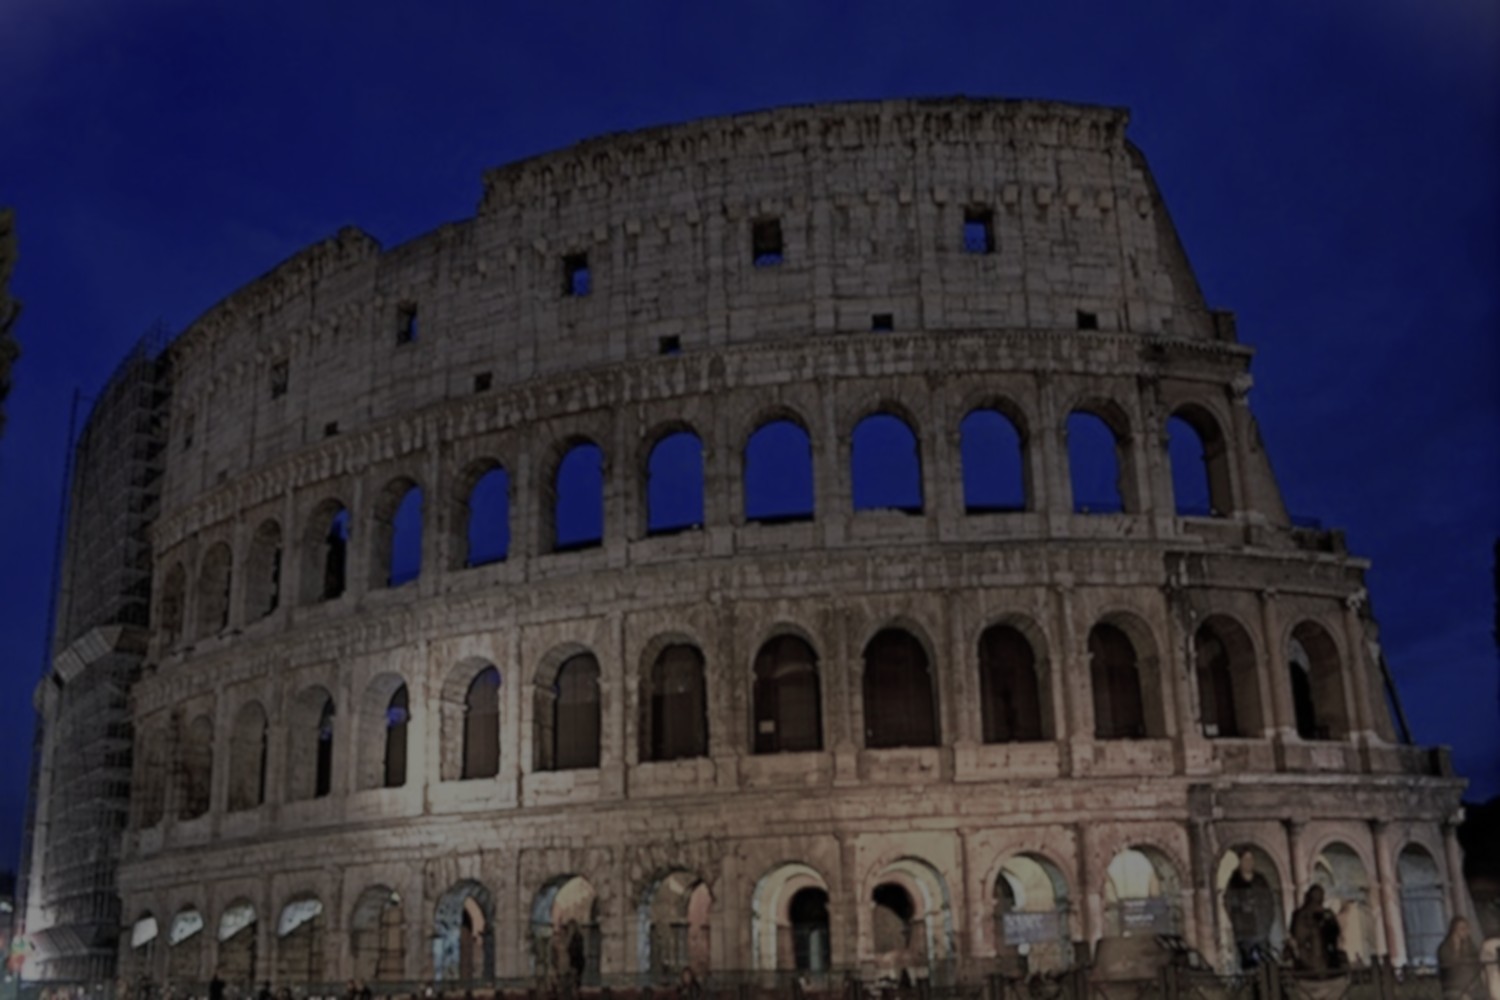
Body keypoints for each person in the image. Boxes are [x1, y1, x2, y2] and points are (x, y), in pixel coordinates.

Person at [1223, 850, 1277, 970]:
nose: (1249, 863)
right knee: (1248, 963)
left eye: (1250, 860)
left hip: (1261, 929)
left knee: (1265, 962)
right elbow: (1229, 903)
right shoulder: (1234, 881)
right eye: (1245, 860)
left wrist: (1267, 921)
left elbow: (1269, 901)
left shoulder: (1260, 880)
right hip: (1244, 931)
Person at [1289, 886, 1344, 975]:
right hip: (1306, 958)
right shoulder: (1300, 915)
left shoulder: (1327, 914)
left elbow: (1335, 934)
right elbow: (1298, 936)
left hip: (1327, 958)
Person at [1436, 917, 1480, 1000]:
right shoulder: (1445, 947)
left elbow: (1476, 961)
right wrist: (1457, 948)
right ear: (1454, 930)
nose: (1466, 932)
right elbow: (1448, 964)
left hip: (1472, 986)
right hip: (1453, 988)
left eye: (1467, 928)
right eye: (1462, 929)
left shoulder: (1470, 945)